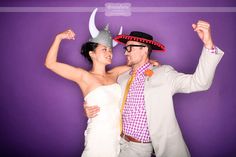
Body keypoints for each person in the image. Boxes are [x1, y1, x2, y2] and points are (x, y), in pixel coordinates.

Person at [84, 20, 224, 157]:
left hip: (139, 148)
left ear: (144, 49)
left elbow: (200, 82)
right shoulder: (122, 77)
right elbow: (107, 96)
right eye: (125, 48)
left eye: (129, 48)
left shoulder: (164, 74)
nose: (125, 53)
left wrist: (208, 45)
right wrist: (88, 107)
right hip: (115, 143)